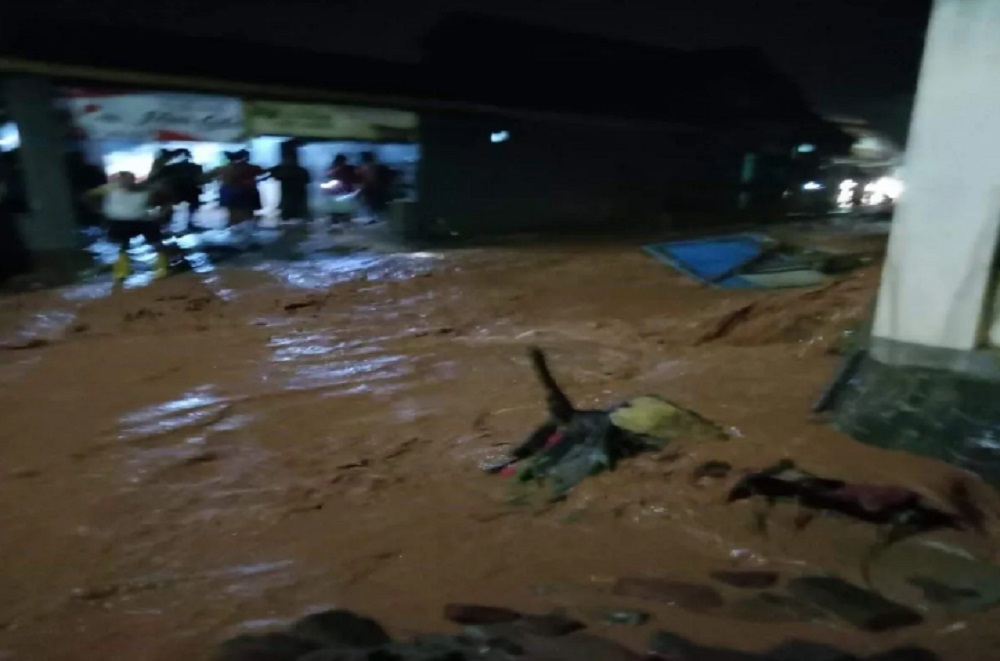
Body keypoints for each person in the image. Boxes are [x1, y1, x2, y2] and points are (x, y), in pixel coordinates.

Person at [86, 171, 169, 281]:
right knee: (120, 247)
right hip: (119, 221)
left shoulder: (144, 189)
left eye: (128, 178)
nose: (125, 181)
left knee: (156, 244)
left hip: (142, 220)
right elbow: (89, 196)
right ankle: (121, 272)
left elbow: (163, 198)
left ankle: (162, 267)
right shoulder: (109, 189)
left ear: (133, 179)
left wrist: (160, 213)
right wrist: (100, 209)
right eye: (122, 179)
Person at [206, 149, 265, 229]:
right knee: (248, 214)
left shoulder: (222, 168)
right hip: (247, 193)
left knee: (232, 214)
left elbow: (207, 176)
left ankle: (234, 228)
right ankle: (247, 230)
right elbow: (263, 172)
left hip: (229, 193)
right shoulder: (251, 168)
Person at [268, 152, 311, 222]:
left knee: (289, 208)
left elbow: (273, 174)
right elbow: (307, 181)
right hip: (297, 194)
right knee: (297, 208)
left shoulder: (284, 170)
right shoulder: (301, 170)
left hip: (290, 194)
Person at [358, 151, 392, 223]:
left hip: (373, 193)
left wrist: (362, 190)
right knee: (379, 213)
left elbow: (368, 181)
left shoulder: (366, 168)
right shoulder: (379, 167)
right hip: (379, 193)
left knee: (374, 212)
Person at [325, 153, 359, 224]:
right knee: (345, 213)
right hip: (346, 193)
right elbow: (355, 179)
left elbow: (328, 180)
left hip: (335, 193)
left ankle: (336, 223)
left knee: (336, 213)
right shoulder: (350, 168)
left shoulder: (332, 169)